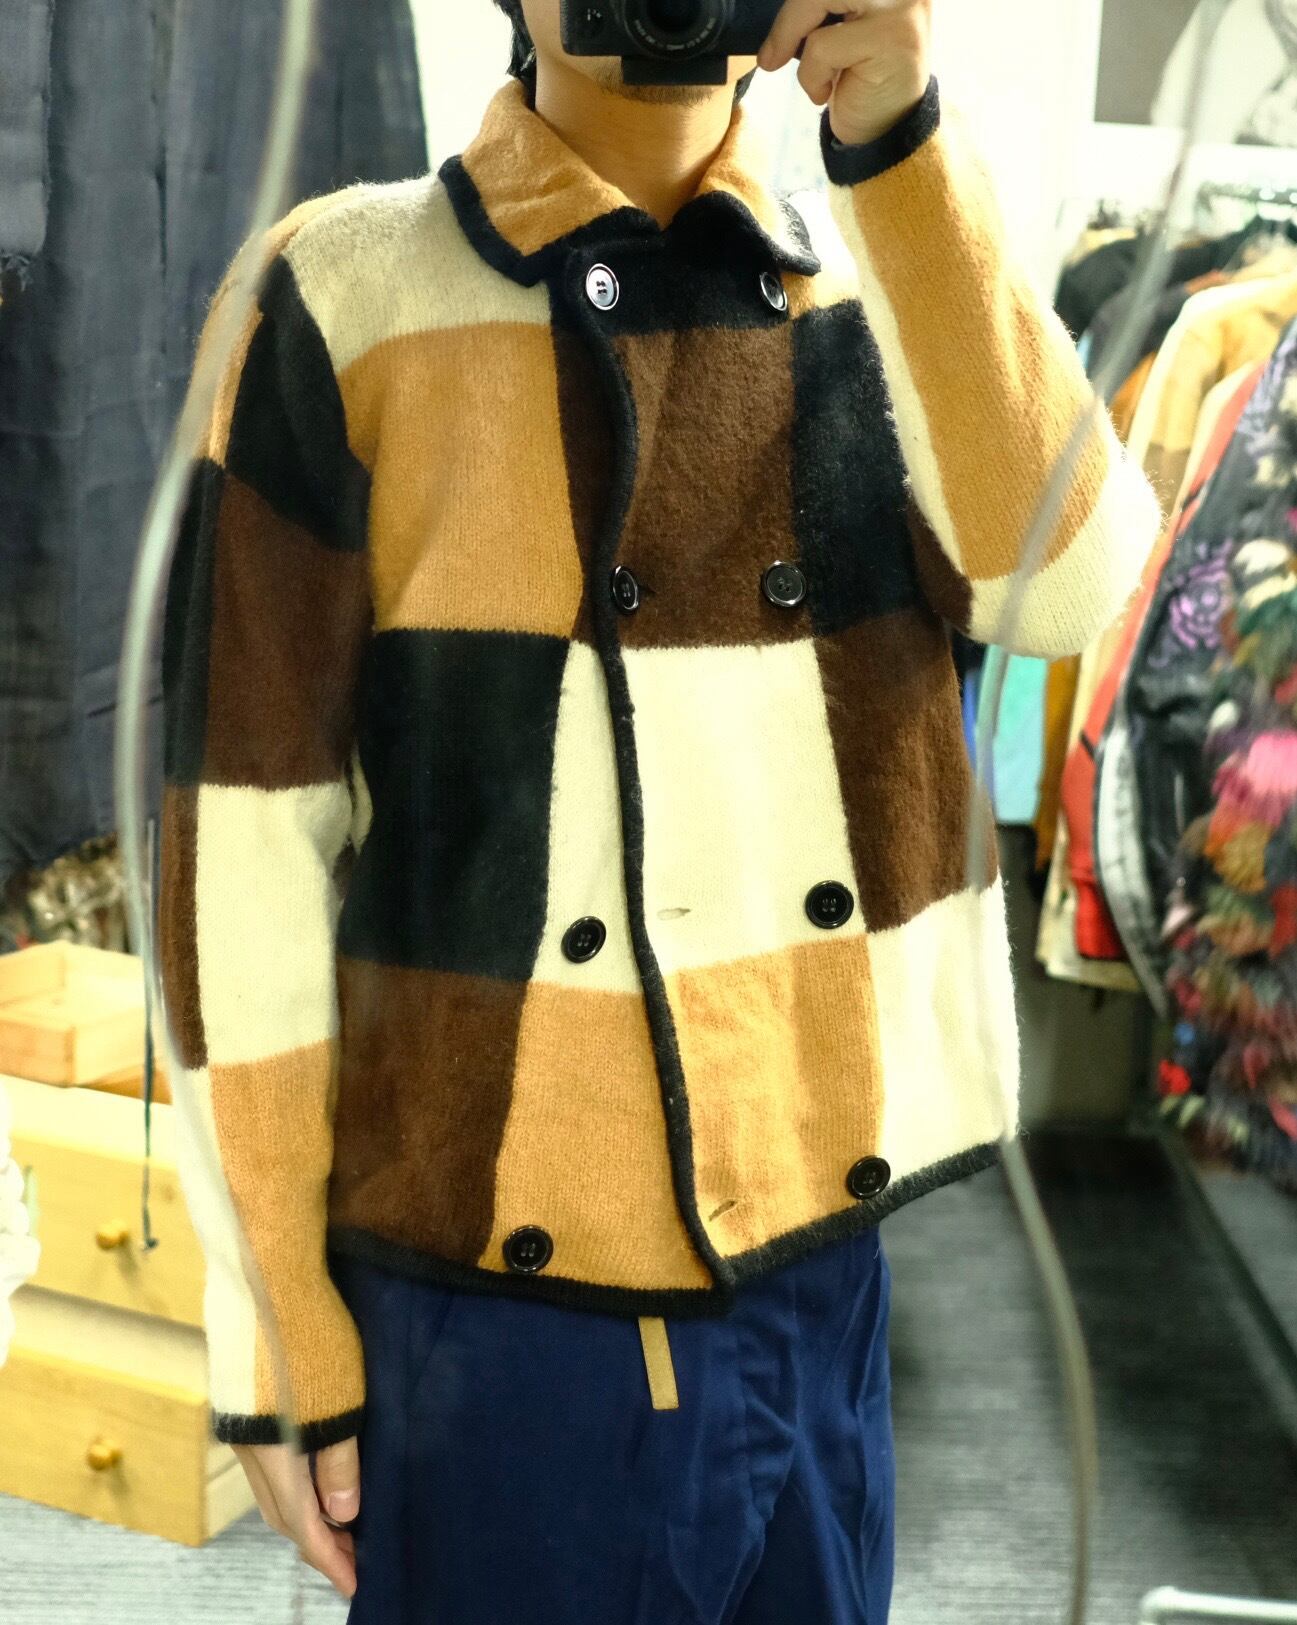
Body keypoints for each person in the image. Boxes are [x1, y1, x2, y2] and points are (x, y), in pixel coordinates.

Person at [156, 1, 1162, 1619]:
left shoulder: (882, 261)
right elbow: (243, 841)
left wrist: (898, 138)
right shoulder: (345, 290)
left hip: (817, 1255)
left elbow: (1065, 588)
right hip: (494, 1291)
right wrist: (271, 1312)